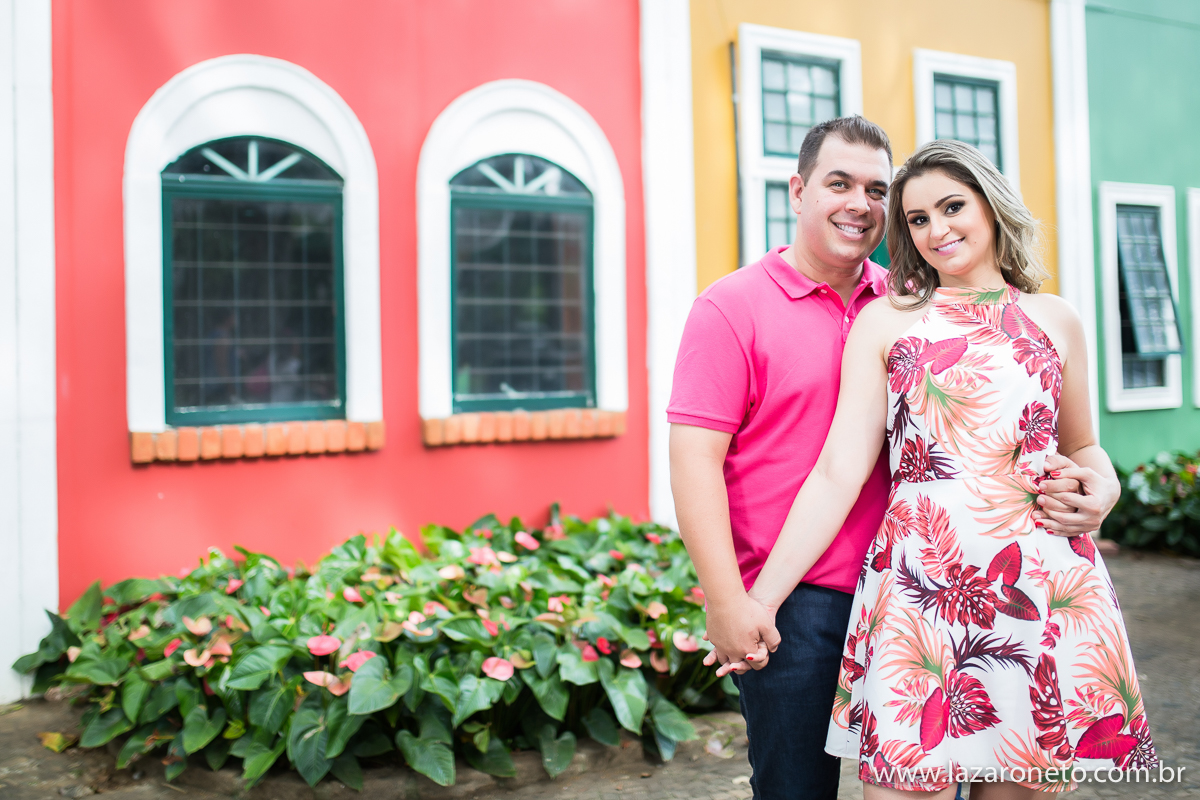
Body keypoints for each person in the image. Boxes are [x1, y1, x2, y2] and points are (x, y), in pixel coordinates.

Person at [668, 117, 1119, 800]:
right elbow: (827, 470)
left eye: (947, 206)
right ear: (798, 190)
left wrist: (1104, 488)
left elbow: (1081, 444)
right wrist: (737, 599)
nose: (933, 228)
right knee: (803, 786)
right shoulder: (860, 317)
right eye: (917, 216)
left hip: (1030, 585)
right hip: (893, 591)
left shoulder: (1037, 316)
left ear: (990, 204)